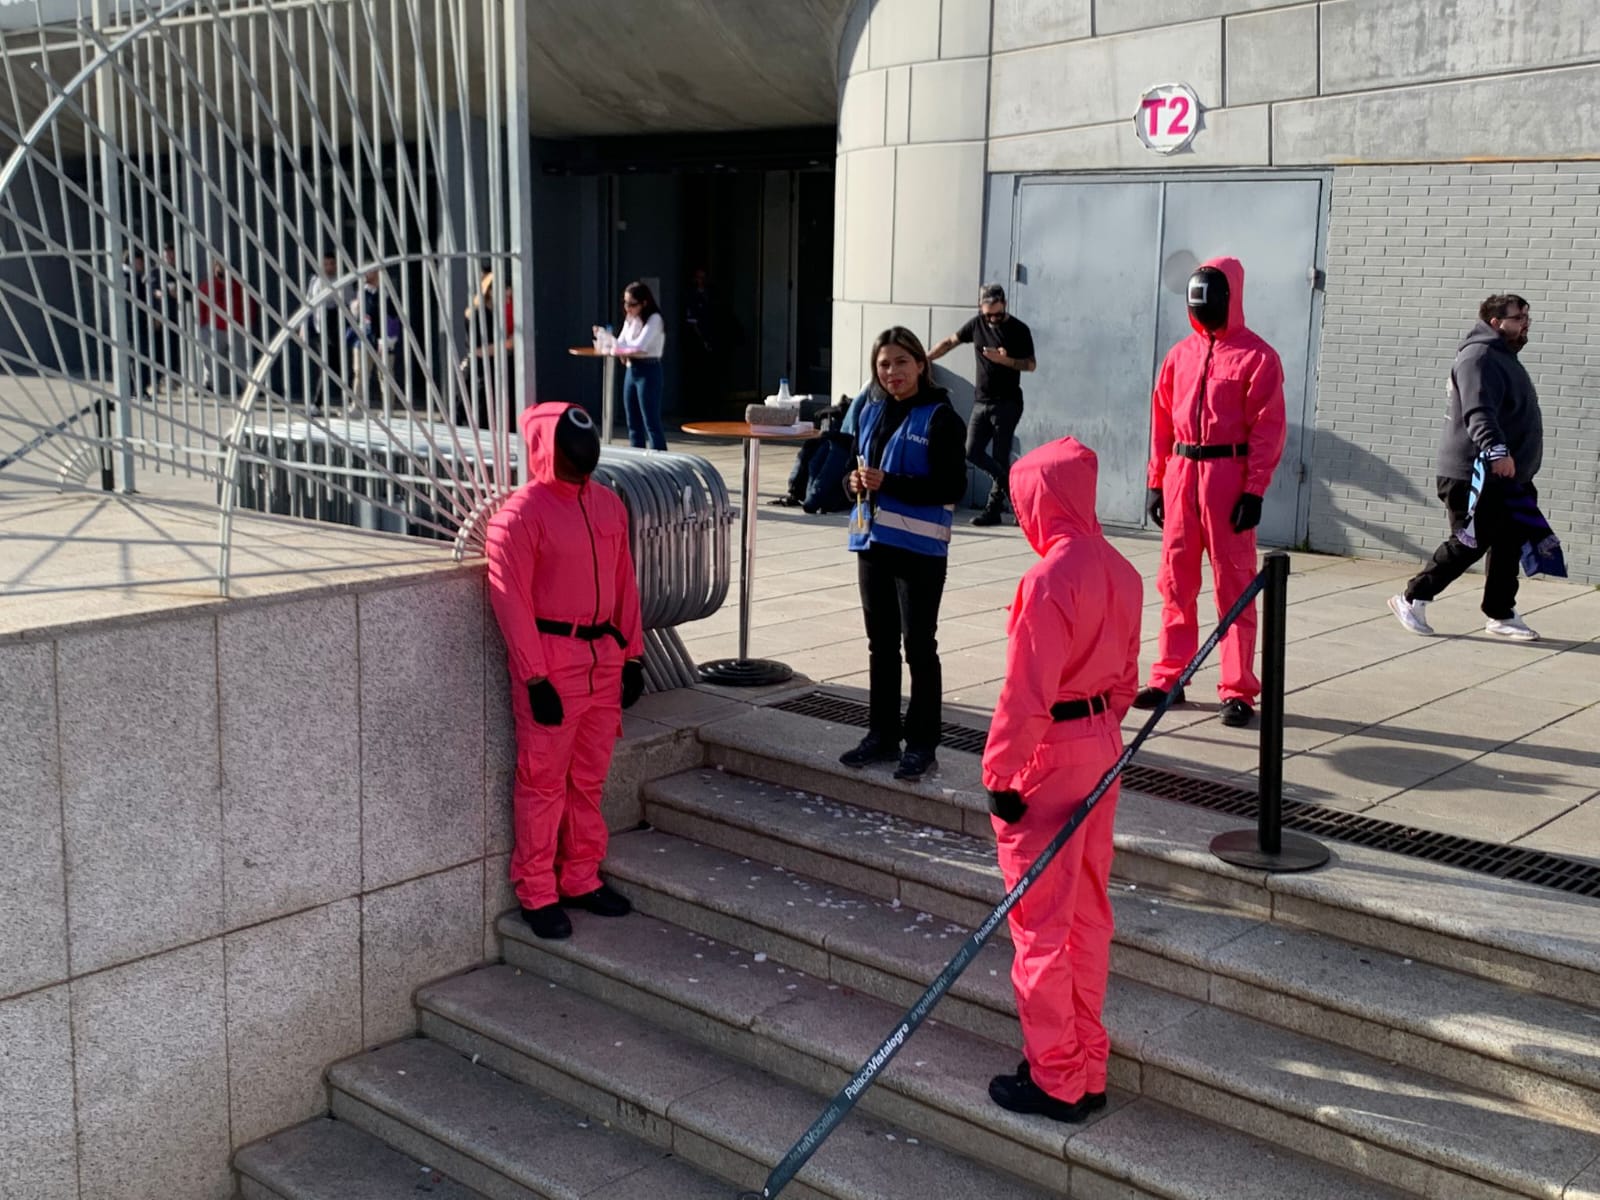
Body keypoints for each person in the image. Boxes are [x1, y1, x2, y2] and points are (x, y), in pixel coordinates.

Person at [981, 436, 1141, 1124]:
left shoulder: (1048, 579)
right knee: (1086, 916)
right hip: (1102, 745)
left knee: (1039, 924)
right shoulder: (1122, 572)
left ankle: (1056, 1076)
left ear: (1040, 501)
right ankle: (1085, 1063)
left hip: (1048, 757)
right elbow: (1127, 679)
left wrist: (999, 772)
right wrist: (1099, 730)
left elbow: (1026, 695)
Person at [485, 401, 646, 941]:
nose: (587, 450)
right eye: (573, 441)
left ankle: (580, 876)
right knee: (542, 784)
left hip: (603, 660)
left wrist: (633, 655)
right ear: (546, 448)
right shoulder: (519, 517)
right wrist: (534, 678)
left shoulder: (608, 505)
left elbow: (625, 582)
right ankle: (536, 890)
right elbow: (509, 601)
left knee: (588, 780)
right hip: (553, 665)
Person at [1136, 256, 1285, 729]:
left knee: (1233, 585)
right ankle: (1169, 677)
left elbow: (1268, 429)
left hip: (1227, 476)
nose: (1203, 306)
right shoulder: (1179, 355)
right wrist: (1156, 482)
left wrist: (1254, 489)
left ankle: (1237, 688)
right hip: (1182, 472)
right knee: (1175, 582)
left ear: (1231, 297)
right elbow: (1162, 421)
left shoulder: (1258, 358)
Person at [841, 327, 968, 782]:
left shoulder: (941, 417)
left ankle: (921, 745)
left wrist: (889, 483)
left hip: (919, 551)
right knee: (881, 646)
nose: (892, 372)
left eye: (900, 362)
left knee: (919, 647)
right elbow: (853, 472)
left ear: (919, 364)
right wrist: (852, 483)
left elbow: (953, 487)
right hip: (873, 545)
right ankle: (881, 735)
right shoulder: (870, 412)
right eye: (883, 364)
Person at [1388, 294, 1545, 641]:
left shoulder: (1502, 357)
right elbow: (1478, 411)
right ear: (1495, 322)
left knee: (1509, 541)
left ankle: (1500, 613)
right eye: (1519, 318)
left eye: (1527, 318)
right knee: (1470, 540)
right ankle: (1412, 598)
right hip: (1476, 472)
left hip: (1509, 476)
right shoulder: (1479, 356)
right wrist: (1497, 451)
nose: (1525, 324)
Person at [927, 283, 1036, 526]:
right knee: (971, 452)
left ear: (1004, 305)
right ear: (980, 308)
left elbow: (1031, 364)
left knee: (999, 456)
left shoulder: (1018, 329)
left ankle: (993, 510)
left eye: (998, 314)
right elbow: (950, 341)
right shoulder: (976, 325)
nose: (993, 319)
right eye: (988, 315)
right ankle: (1016, 496)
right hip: (982, 401)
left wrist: (1006, 360)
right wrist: (926, 358)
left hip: (1007, 403)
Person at [605, 281, 667, 451]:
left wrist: (620, 348)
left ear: (644, 303)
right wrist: (610, 341)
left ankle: (660, 459)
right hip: (631, 368)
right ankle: (637, 457)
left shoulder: (654, 319)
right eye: (625, 303)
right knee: (633, 422)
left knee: (651, 421)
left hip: (648, 369)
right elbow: (620, 342)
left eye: (632, 304)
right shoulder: (631, 319)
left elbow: (640, 346)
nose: (627, 308)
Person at [458, 268, 515, 429]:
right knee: (483, 420)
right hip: (481, 375)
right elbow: (477, 350)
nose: (508, 298)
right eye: (505, 293)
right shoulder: (478, 314)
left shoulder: (495, 313)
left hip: (493, 373)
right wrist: (508, 344)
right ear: (490, 291)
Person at [197, 257, 250, 397]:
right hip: (214, 328)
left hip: (235, 327)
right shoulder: (208, 285)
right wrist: (202, 326)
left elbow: (248, 304)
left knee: (240, 359)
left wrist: (246, 323)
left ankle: (247, 387)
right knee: (210, 358)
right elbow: (201, 306)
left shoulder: (237, 286)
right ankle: (209, 385)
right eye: (218, 266)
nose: (220, 269)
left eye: (223, 266)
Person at [304, 251, 349, 411]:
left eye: (331, 264)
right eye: (326, 264)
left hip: (335, 329)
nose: (329, 267)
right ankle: (349, 398)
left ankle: (318, 403)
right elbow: (308, 303)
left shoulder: (342, 280)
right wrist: (303, 326)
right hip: (318, 328)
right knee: (330, 365)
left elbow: (349, 302)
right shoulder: (315, 280)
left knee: (330, 365)